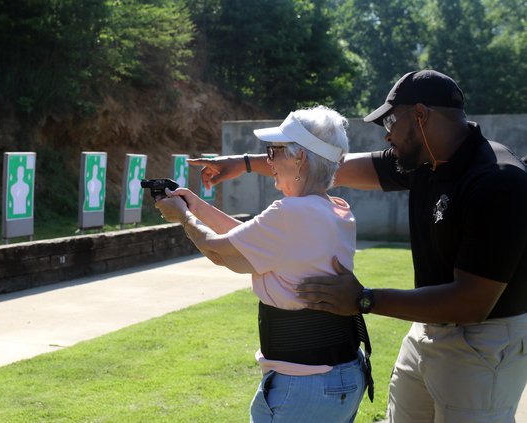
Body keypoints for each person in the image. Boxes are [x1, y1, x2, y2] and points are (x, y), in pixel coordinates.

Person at [189, 70, 527, 423]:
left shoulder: (498, 183)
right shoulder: (427, 158)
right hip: (427, 327)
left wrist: (364, 299)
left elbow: (471, 302)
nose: (386, 133)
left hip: (483, 342)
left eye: (390, 122)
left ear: (421, 116)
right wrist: (243, 164)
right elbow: (328, 162)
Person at [156, 106, 371, 423]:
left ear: (300, 158)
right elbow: (248, 241)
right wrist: (196, 205)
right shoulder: (334, 209)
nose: (268, 161)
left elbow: (220, 252)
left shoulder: (290, 214)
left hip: (304, 385)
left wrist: (183, 217)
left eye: (274, 151)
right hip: (339, 374)